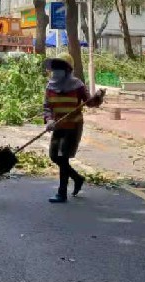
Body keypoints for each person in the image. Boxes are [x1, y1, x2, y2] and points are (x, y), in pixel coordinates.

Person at [43, 55, 104, 203]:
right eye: (54, 68)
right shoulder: (50, 86)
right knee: (54, 156)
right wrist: (49, 120)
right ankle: (77, 178)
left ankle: (61, 193)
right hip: (58, 125)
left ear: (67, 69)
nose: (56, 71)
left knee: (63, 157)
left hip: (73, 126)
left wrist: (98, 97)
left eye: (59, 68)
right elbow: (47, 107)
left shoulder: (77, 85)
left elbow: (89, 103)